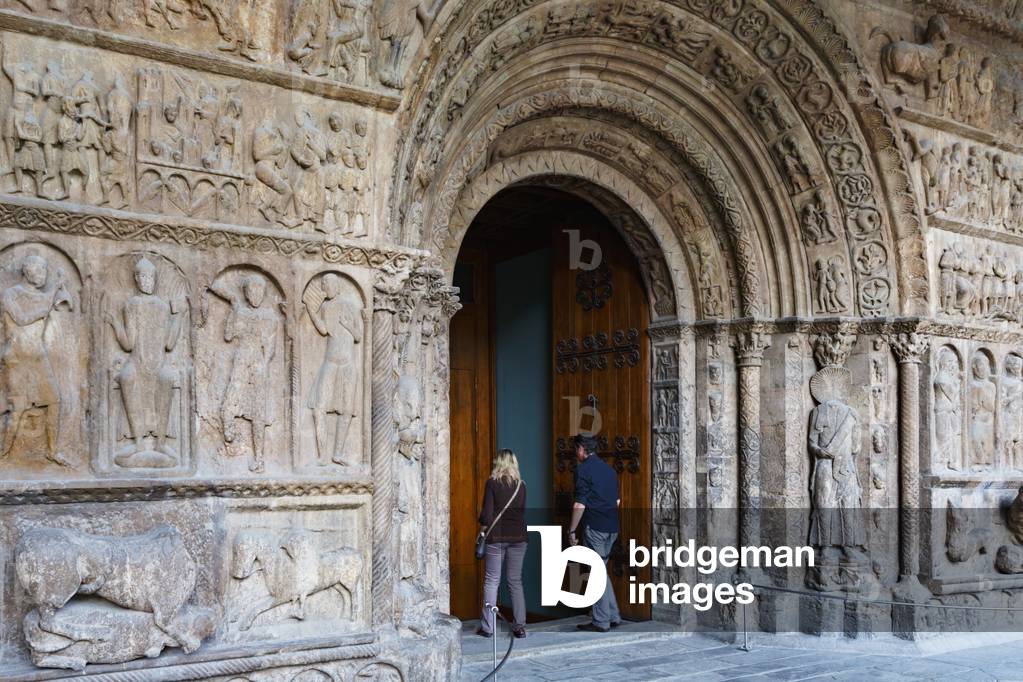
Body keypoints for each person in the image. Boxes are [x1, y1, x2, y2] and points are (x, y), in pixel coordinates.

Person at [568, 434, 622, 632]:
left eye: (576, 450)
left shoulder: (583, 470)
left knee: (596, 573)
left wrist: (572, 530)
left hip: (595, 527)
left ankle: (601, 620)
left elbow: (580, 504)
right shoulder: (609, 470)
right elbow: (617, 502)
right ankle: (613, 615)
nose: (576, 453)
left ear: (582, 449)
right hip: (612, 527)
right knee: (602, 571)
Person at [477, 449, 527, 639]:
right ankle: (519, 627)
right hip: (519, 538)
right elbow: (521, 513)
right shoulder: (521, 485)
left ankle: (488, 627)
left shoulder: (492, 483)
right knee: (515, 581)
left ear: (498, 463)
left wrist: (481, 524)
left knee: (492, 580)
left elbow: (487, 515)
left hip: (497, 538)